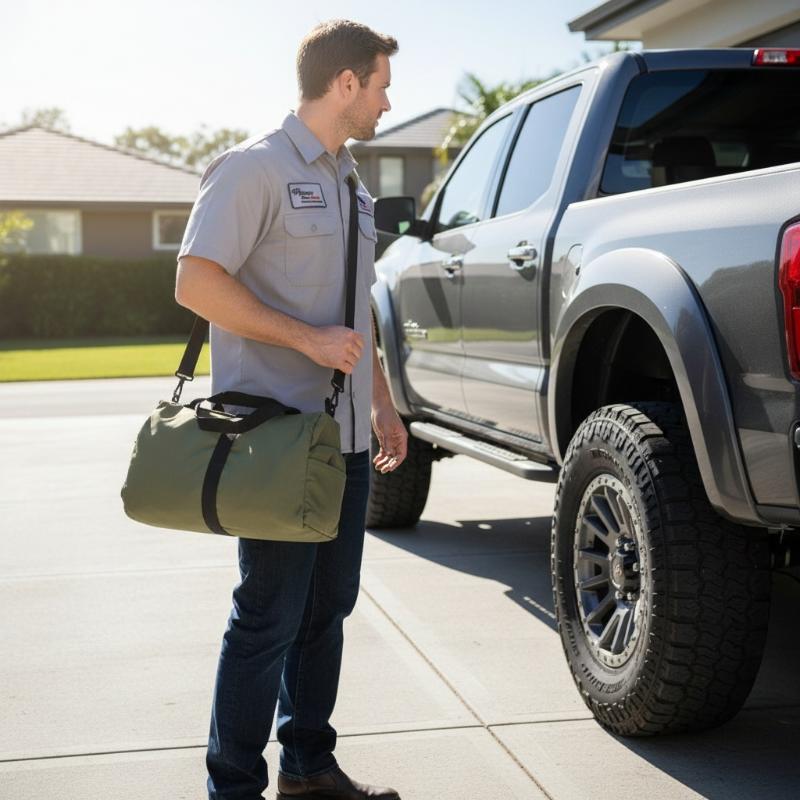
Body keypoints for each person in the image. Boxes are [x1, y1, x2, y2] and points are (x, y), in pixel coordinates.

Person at [174, 19, 407, 800]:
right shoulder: (253, 169)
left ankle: (307, 767)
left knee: (327, 611)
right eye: (380, 86)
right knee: (268, 615)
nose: (386, 102)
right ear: (345, 83)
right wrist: (306, 340)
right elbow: (195, 283)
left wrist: (382, 402)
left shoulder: (353, 186)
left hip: (344, 441)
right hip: (275, 441)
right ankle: (233, 787)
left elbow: (357, 308)